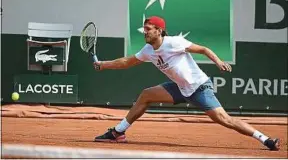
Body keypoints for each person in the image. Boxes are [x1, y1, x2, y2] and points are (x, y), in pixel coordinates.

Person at [93, 16, 280, 151]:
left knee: (225, 120)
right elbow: (127, 62)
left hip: (198, 87)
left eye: (149, 29)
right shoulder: (148, 50)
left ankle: (265, 140)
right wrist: (103, 65)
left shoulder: (173, 43)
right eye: (145, 29)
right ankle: (118, 133)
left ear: (159, 31)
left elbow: (203, 49)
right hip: (180, 88)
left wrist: (218, 61)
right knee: (146, 95)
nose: (145, 32)